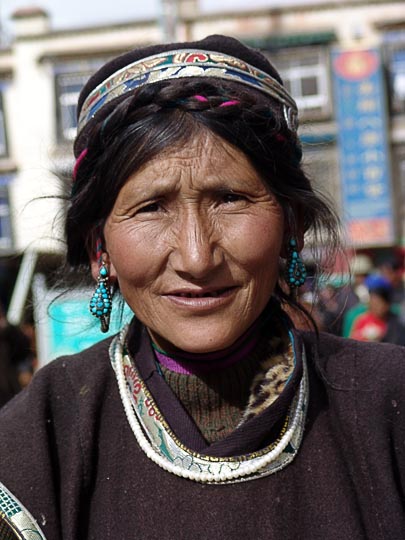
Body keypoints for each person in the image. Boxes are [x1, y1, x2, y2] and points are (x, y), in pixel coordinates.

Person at [0, 35, 404, 540]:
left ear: (291, 225)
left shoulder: (388, 401)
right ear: (99, 244)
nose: (196, 257)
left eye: (230, 199)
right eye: (151, 207)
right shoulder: (34, 442)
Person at [350, 274, 405, 345]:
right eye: (372, 304)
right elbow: (352, 341)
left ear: (387, 305)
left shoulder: (396, 322)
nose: (374, 308)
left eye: (378, 304)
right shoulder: (362, 320)